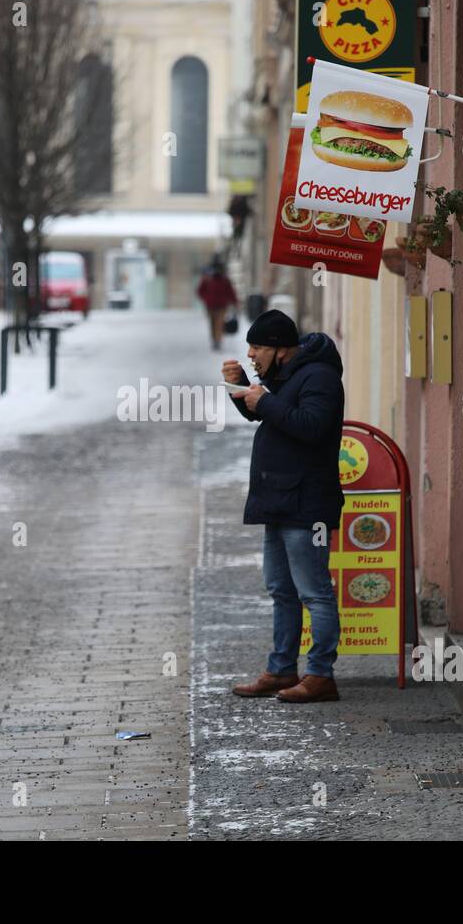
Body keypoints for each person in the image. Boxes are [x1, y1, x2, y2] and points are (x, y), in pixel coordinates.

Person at [222, 309, 345, 703]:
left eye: (257, 347)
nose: (252, 354)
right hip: (279, 499)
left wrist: (264, 401)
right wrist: (241, 386)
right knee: (281, 590)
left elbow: (310, 426)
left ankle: (321, 675)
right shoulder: (287, 376)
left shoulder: (320, 377)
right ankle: (281, 669)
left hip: (307, 502)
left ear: (280, 348)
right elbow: (269, 415)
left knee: (314, 592)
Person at [196, 256, 238, 351]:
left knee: (219, 323)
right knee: (212, 323)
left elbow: (230, 291)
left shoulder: (224, 279)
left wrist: (234, 301)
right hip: (210, 305)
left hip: (221, 305)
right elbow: (200, 291)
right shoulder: (208, 279)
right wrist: (206, 299)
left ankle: (217, 341)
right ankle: (215, 340)